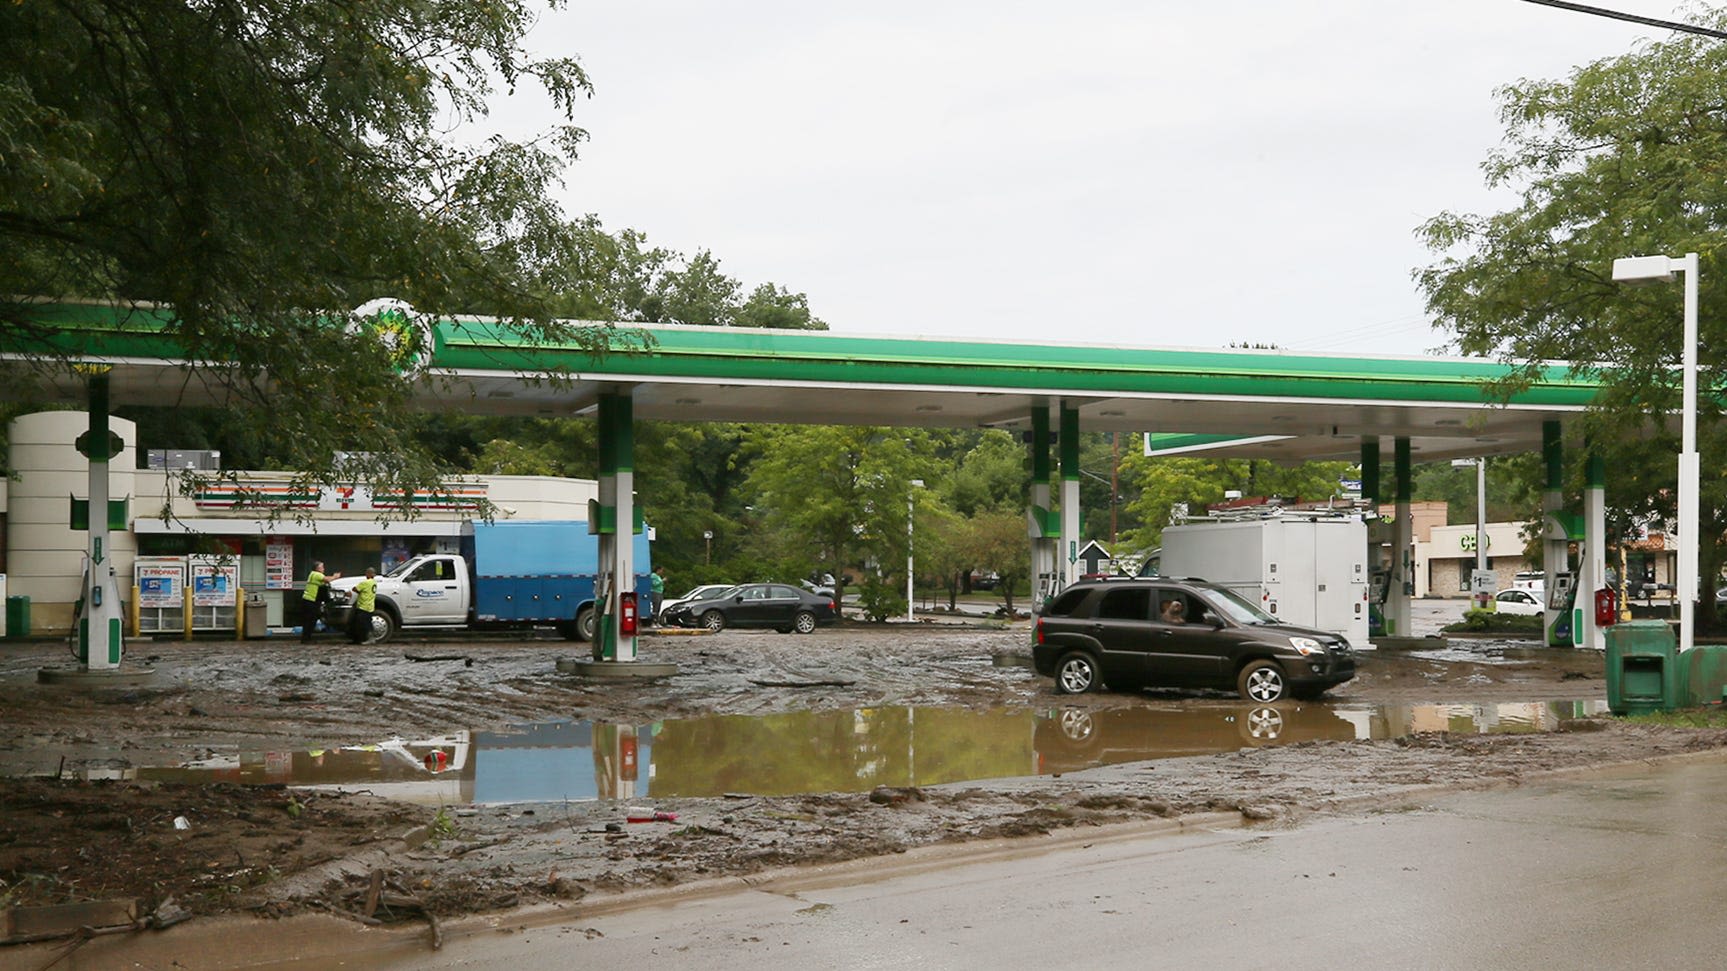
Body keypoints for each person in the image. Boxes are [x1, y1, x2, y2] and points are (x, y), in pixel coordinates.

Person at [301, 561, 340, 643]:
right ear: (317, 568)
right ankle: (306, 639)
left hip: (309, 600)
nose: (323, 569)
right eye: (322, 567)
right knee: (310, 620)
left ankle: (306, 638)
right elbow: (327, 579)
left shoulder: (314, 574)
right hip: (311, 600)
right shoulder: (316, 574)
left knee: (310, 620)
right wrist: (335, 576)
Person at [348, 567, 378, 644]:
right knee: (368, 623)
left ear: (368, 574)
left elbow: (355, 589)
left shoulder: (365, 583)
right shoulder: (374, 582)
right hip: (370, 606)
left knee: (362, 625)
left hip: (363, 606)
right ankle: (369, 638)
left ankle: (366, 639)